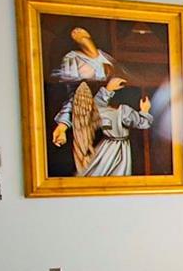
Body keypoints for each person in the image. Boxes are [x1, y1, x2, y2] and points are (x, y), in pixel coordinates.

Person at [49, 27, 153, 175]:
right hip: (99, 125)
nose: (76, 32)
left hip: (120, 119)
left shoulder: (107, 58)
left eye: (82, 32)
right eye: (73, 33)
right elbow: (74, 97)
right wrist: (62, 126)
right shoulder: (72, 59)